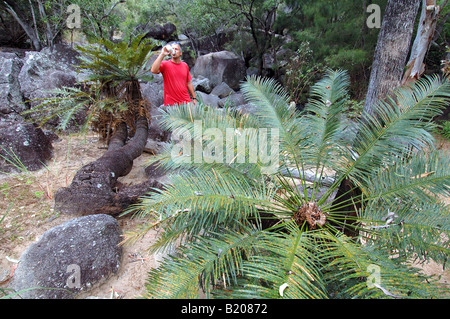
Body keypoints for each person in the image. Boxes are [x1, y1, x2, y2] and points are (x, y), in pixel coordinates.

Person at [151, 41, 197, 106]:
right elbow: (153, 70)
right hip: (172, 104)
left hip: (186, 102)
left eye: (176, 49)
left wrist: (194, 98)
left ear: (180, 53)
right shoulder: (165, 64)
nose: (174, 51)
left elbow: (189, 82)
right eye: (172, 49)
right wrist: (162, 54)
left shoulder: (185, 65)